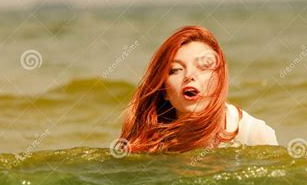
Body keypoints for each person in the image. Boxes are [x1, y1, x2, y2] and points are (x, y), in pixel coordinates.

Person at [119, 25, 278, 153]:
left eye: (203, 67)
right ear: (164, 91)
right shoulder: (150, 142)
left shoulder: (255, 135)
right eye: (175, 70)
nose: (189, 75)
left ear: (219, 79)